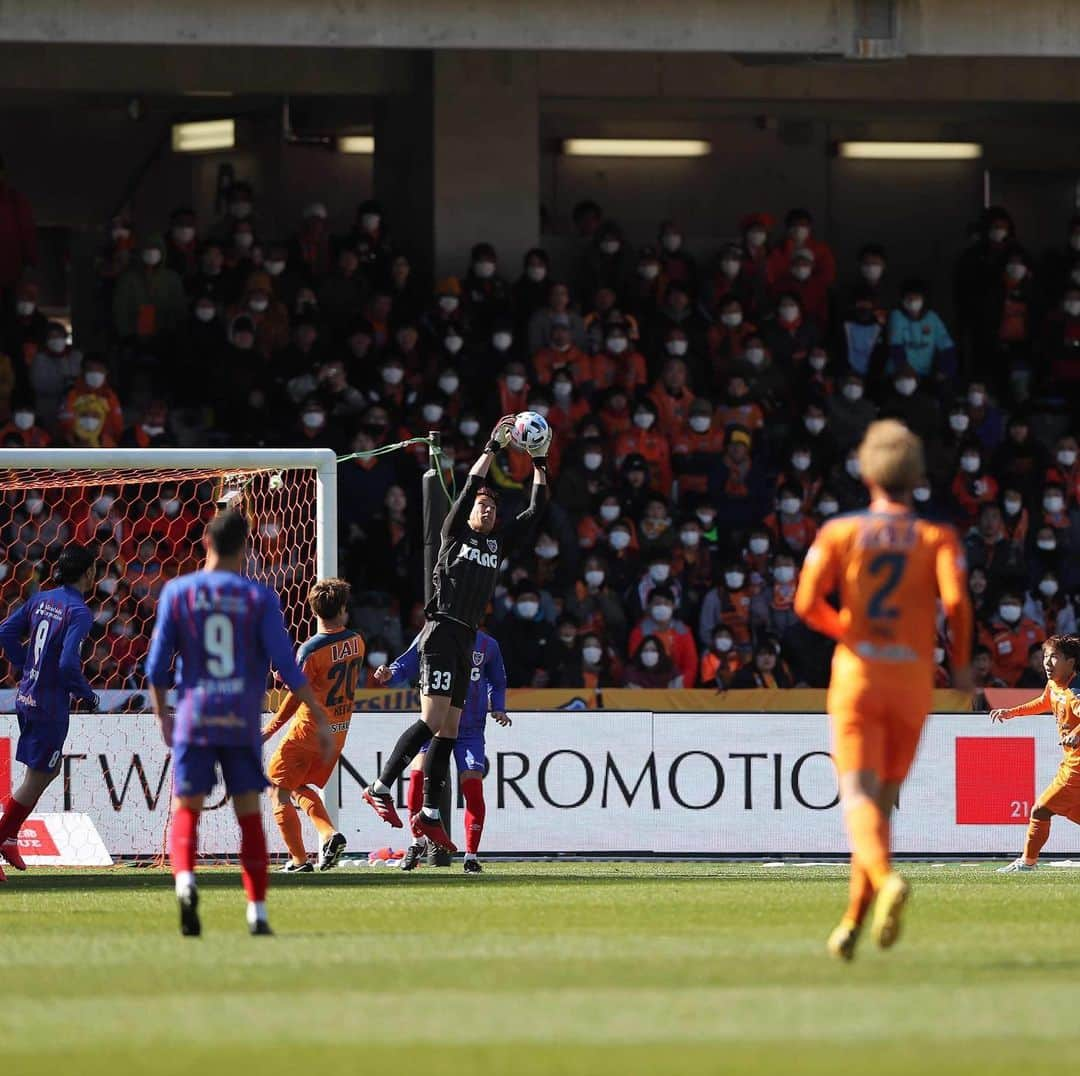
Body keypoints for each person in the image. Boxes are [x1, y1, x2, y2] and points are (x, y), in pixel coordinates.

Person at [794, 419, 972, 960]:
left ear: (866, 472)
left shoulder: (840, 533)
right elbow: (959, 603)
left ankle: (888, 881)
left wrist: (844, 628)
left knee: (857, 799)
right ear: (917, 477)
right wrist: (961, 667)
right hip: (913, 679)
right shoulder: (936, 537)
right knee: (881, 806)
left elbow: (804, 604)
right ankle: (851, 923)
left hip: (858, 675)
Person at [361, 416, 548, 851]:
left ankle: (428, 814)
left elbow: (536, 511)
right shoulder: (453, 533)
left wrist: (539, 462)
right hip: (442, 630)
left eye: (491, 507)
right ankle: (380, 786)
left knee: (447, 732)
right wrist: (492, 447)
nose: (486, 510)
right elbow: (468, 488)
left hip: (466, 638)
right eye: (481, 505)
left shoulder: (497, 544)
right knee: (431, 721)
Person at [145, 510, 334, 937]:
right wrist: (317, 714)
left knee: (186, 808)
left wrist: (162, 717)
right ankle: (257, 913)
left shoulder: (179, 592)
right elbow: (286, 665)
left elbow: (156, 667)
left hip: (195, 715)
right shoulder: (258, 597)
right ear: (245, 548)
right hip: (240, 717)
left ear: (206, 541)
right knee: (248, 814)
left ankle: (186, 883)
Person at [0, 546, 99, 882]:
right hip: (49, 704)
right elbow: (69, 663)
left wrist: (24, 665)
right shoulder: (80, 612)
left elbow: (6, 632)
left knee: (46, 771)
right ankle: (3, 838)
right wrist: (86, 693)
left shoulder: (41, 598)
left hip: (26, 696)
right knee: (38, 777)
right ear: (89, 574)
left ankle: (10, 838)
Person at [375, 628, 509, 873]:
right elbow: (405, 663)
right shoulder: (433, 634)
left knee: (473, 788)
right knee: (416, 777)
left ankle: (471, 856)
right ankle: (417, 843)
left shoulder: (488, 645)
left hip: (470, 730)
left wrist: (498, 707)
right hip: (437, 724)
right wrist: (389, 674)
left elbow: (497, 681)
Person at [261, 578, 363, 873]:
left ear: (314, 611)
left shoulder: (310, 650)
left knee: (278, 787)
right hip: (337, 732)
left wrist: (270, 728)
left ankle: (298, 860)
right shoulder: (358, 642)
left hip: (309, 732)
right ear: (343, 609)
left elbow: (297, 694)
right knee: (297, 786)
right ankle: (328, 834)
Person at [992, 635, 1080, 872]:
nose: (1047, 663)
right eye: (1045, 657)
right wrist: (1011, 712)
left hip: (1077, 770)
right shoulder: (1054, 686)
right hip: (1070, 764)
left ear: (1071, 662)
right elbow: (1043, 702)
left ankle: (1027, 863)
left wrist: (1078, 732)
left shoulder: (1075, 690)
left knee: (1040, 809)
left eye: (1054, 657)